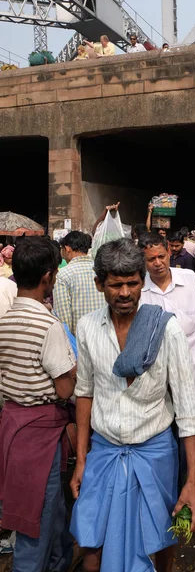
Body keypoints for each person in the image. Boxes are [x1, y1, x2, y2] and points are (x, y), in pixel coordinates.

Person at [69, 238, 195, 572]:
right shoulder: (87, 328)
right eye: (115, 285)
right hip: (103, 452)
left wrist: (192, 482)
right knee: (91, 548)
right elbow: (85, 393)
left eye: (132, 283)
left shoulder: (166, 329)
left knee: (159, 540)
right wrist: (82, 460)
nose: (125, 293)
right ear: (100, 284)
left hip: (155, 453)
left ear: (142, 282)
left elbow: (188, 410)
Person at [138, 233, 195, 524]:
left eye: (161, 257)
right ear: (144, 260)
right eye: (151, 259)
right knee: (165, 441)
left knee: (192, 441)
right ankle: (169, 501)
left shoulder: (188, 279)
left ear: (169, 253)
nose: (157, 264)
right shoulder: (140, 289)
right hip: (159, 383)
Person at [0, 236, 75, 572]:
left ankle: (59, 562)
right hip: (40, 435)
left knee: (52, 513)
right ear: (48, 276)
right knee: (35, 522)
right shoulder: (48, 325)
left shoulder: (5, 320)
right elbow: (63, 388)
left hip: (12, 426)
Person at [53, 231, 105, 335]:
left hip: (78, 342)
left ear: (67, 249)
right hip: (104, 336)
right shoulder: (101, 270)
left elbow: (64, 320)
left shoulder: (63, 275)